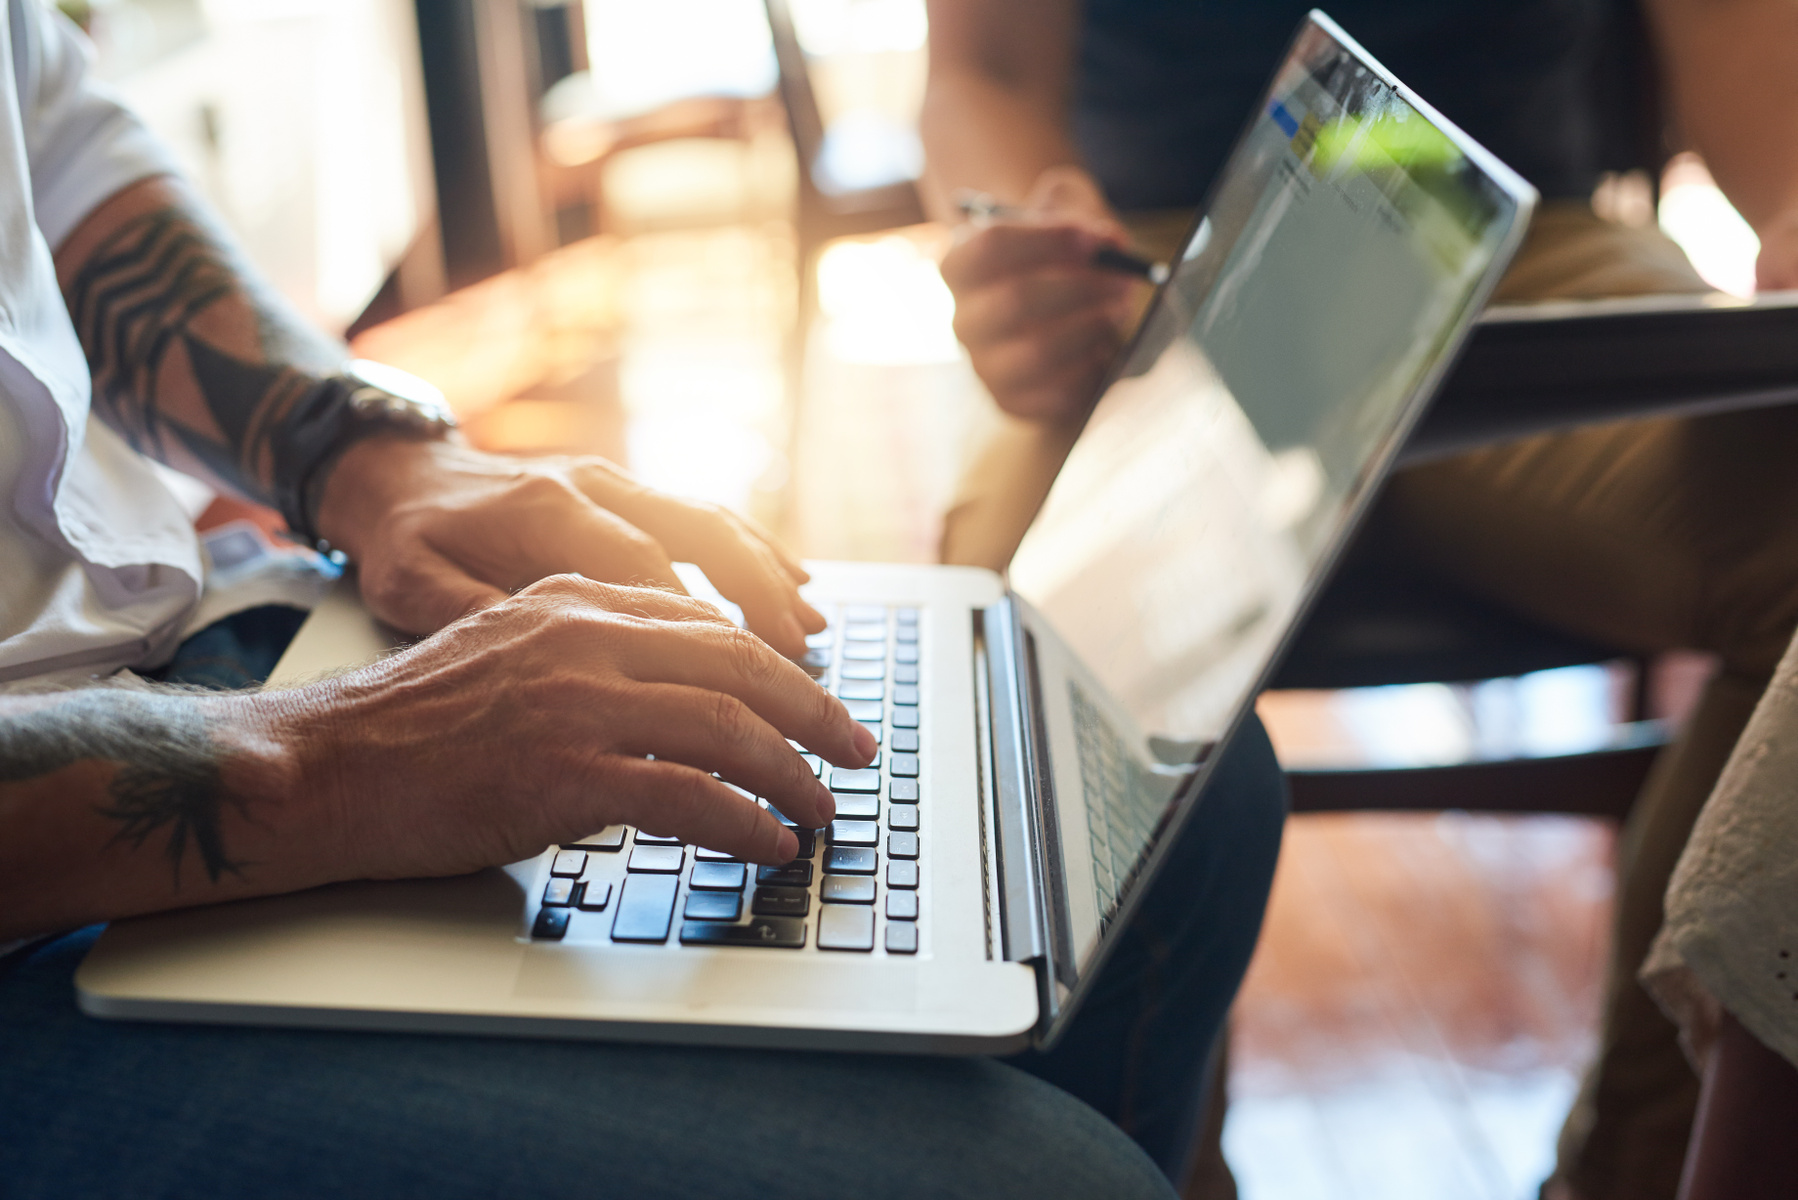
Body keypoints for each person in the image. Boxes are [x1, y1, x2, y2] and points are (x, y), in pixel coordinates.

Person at [0, 2, 1287, 1195]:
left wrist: (365, 455)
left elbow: (51, 150)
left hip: (198, 642)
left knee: (1169, 790)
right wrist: (317, 762)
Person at [918, 1, 1798, 1197]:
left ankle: (1641, 1176)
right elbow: (984, 65)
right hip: (1156, 277)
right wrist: (1021, 224)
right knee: (996, 651)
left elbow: (1739, 40)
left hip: (1531, 255)